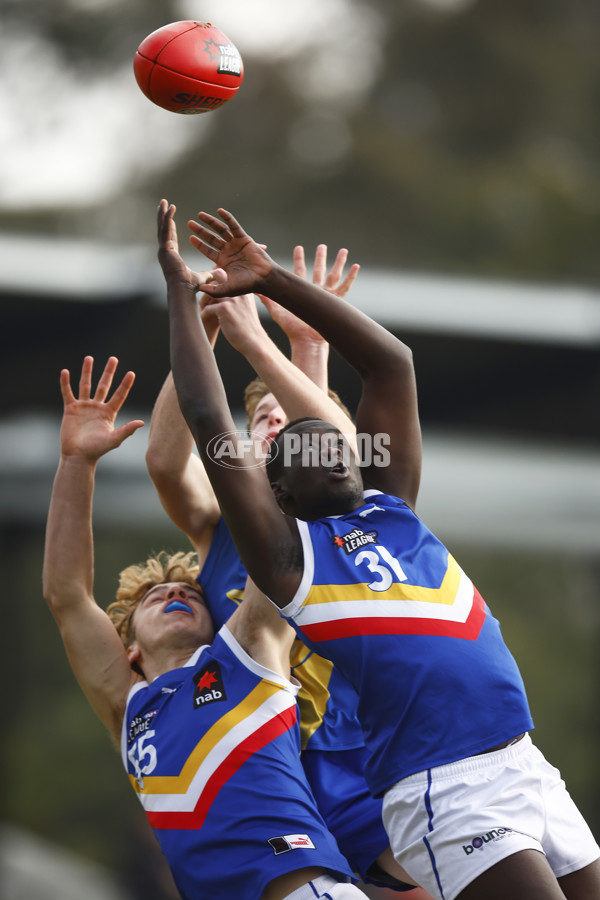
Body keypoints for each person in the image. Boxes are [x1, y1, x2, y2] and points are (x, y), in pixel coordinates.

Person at [159, 199, 600, 900]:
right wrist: (183, 298)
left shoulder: (391, 504)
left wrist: (269, 277)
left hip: (525, 763)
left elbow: (392, 363)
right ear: (280, 492)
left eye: (336, 436)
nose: (330, 442)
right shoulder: (288, 562)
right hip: (444, 790)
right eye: (306, 445)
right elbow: (209, 414)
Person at [146, 243, 428, 895]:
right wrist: (209, 322)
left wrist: (301, 344)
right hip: (266, 769)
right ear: (244, 445)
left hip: (363, 758)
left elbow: (330, 442)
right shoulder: (220, 526)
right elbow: (165, 459)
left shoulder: (348, 515)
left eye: (287, 416)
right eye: (261, 419)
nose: (278, 424)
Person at [42, 354, 371, 900]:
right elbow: (67, 596)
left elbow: (291, 542)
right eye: (156, 597)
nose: (175, 592)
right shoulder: (129, 709)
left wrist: (300, 405)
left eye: (191, 592)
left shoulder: (245, 656)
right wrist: (76, 462)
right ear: (127, 653)